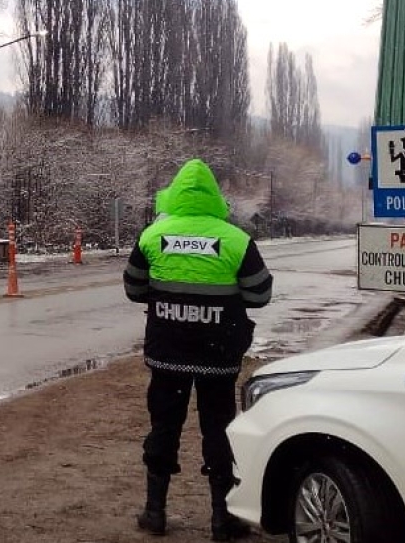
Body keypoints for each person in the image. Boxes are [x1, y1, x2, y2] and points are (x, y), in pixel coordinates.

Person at [123, 159, 273, 540]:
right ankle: (223, 519)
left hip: (167, 354)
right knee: (219, 430)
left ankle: (154, 512)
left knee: (163, 426)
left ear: (173, 194)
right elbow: (260, 295)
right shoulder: (236, 239)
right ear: (215, 198)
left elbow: (133, 289)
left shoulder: (152, 236)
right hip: (217, 355)